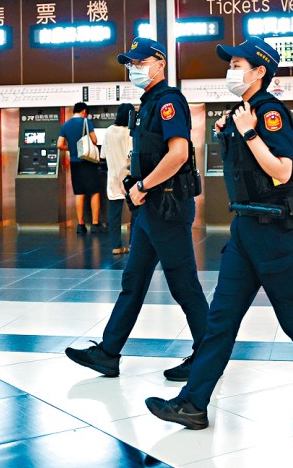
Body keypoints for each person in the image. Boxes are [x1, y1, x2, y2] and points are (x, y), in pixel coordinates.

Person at [146, 37, 293, 435]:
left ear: (260, 71)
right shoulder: (243, 112)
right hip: (245, 229)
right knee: (221, 319)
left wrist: (249, 134)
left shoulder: (269, 112)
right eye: (230, 64)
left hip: (275, 232)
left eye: (238, 64)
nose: (231, 70)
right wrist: (230, 132)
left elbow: (283, 171)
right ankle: (193, 403)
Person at [65, 37, 208, 382]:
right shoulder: (146, 105)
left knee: (183, 284)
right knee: (133, 281)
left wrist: (143, 186)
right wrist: (134, 178)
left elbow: (178, 154)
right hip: (148, 210)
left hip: (167, 206)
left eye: (141, 63)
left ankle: (208, 356)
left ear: (160, 65)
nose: (134, 69)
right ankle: (108, 353)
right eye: (131, 64)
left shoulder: (169, 101)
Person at [58, 102, 102, 234]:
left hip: (74, 162)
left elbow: (59, 145)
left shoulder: (66, 125)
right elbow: (94, 140)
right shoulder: (86, 122)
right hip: (88, 161)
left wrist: (71, 148)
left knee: (79, 192)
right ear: (84, 111)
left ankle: (80, 225)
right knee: (94, 191)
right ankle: (95, 224)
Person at [103, 103, 136, 255]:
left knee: (114, 215)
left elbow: (103, 154)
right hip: (128, 177)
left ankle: (116, 246)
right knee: (135, 213)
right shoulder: (129, 132)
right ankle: (133, 244)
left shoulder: (109, 131)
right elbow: (131, 154)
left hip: (112, 178)